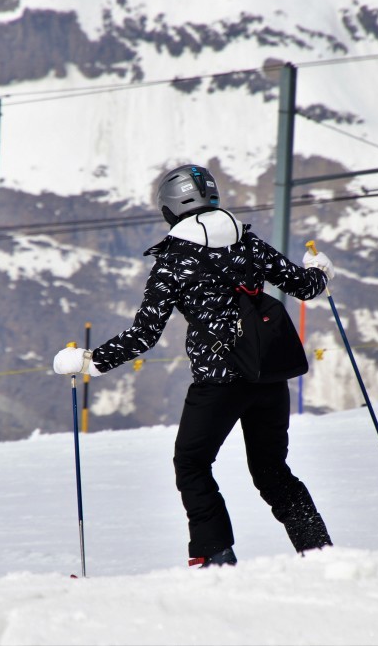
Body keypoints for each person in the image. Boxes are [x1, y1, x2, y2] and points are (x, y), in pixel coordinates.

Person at [53, 163, 334, 567]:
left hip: (218, 384)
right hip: (269, 377)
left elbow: (144, 334)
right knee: (272, 469)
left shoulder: (173, 260)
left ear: (171, 207)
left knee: (192, 464)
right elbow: (305, 286)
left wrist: (90, 361)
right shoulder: (247, 242)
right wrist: (320, 269)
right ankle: (318, 550)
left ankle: (215, 554)